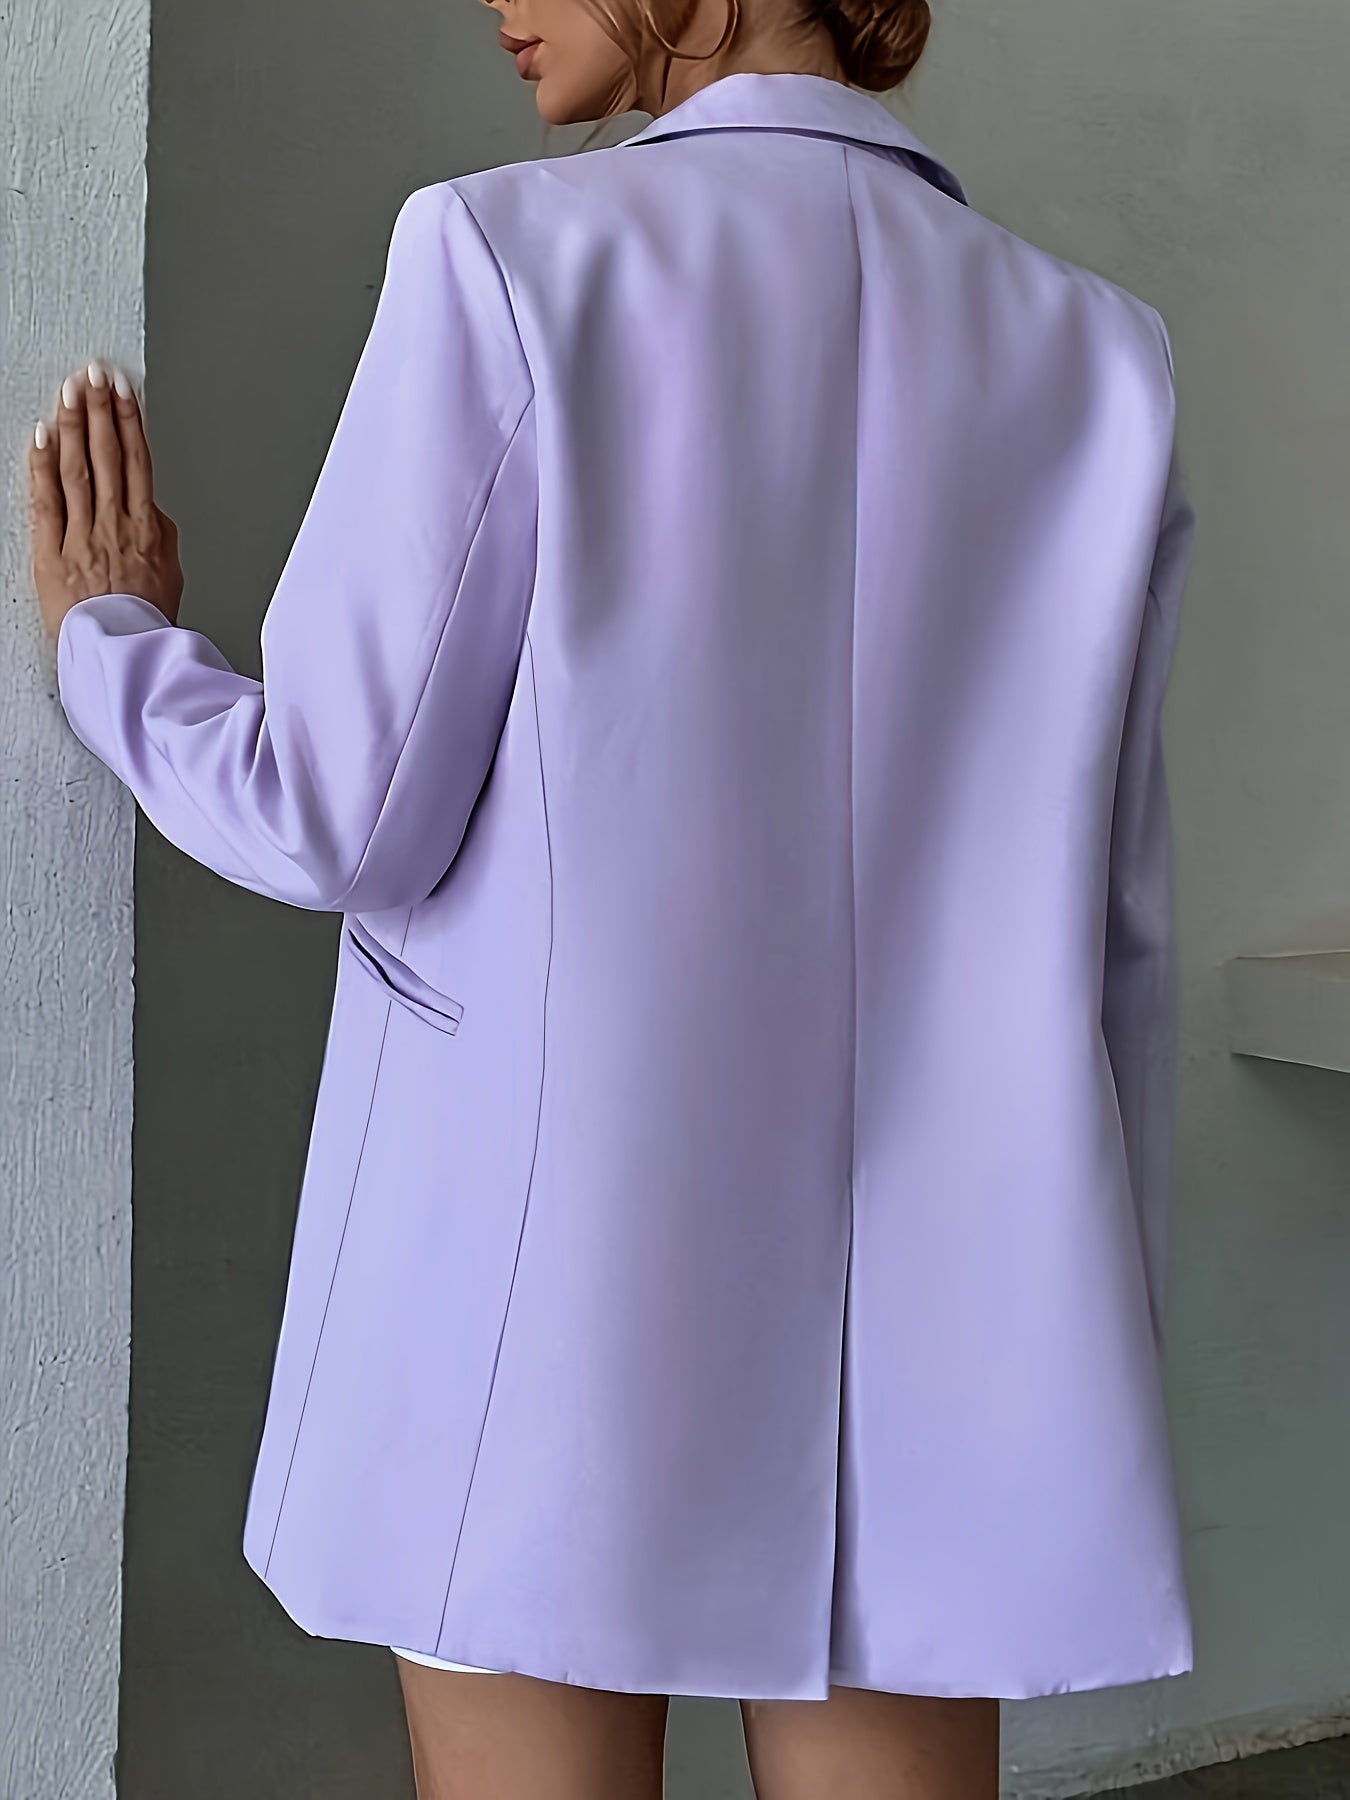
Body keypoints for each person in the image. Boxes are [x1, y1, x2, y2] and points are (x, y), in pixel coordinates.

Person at [27, 0, 1197, 1787]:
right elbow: (1116, 938)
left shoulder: (508, 257)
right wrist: (1083, 1346)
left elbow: (338, 816)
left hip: (548, 1309)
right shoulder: (1097, 354)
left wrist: (115, 647)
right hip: (944, 1340)